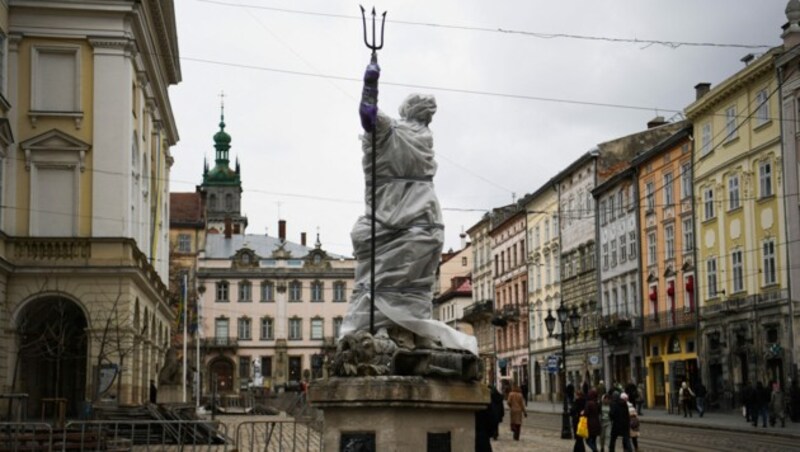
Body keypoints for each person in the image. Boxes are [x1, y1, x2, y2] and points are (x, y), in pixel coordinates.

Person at [339, 56, 478, 356]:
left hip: (391, 215)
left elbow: (367, 114)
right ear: (426, 116)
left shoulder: (395, 132)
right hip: (426, 218)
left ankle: (396, 328)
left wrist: (370, 83)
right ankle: (414, 328)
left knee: (387, 277)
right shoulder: (422, 136)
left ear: (406, 110)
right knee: (417, 278)